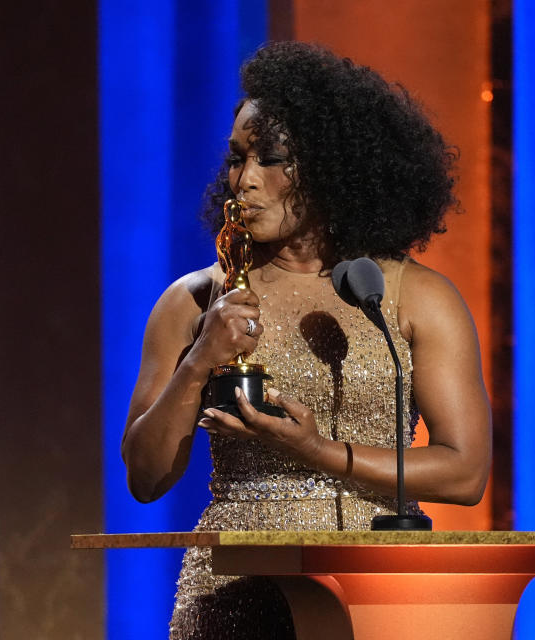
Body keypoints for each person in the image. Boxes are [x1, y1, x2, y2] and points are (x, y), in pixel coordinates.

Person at [120, 41, 492, 640]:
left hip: (376, 590)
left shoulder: (413, 297)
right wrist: (198, 364)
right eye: (238, 158)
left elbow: (465, 472)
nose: (243, 180)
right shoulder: (194, 301)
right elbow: (146, 477)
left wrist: (318, 452)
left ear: (331, 166)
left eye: (270, 159)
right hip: (236, 593)